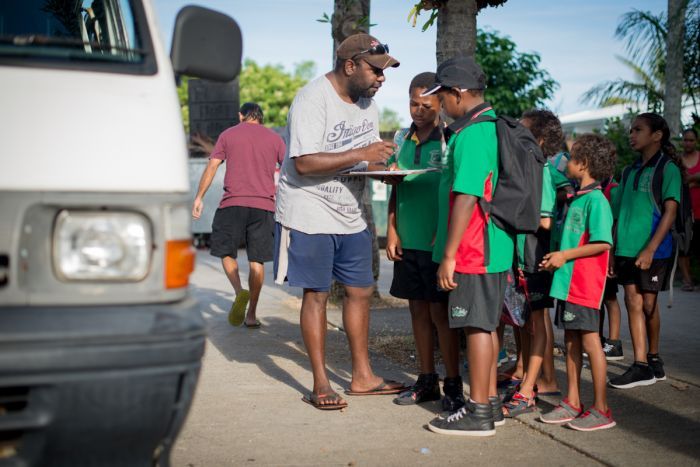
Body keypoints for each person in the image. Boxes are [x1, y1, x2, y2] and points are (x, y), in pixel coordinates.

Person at [274, 33, 405, 411]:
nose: (381, 79)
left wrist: (385, 170)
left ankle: (363, 376)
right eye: (376, 71)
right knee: (315, 295)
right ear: (350, 65)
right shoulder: (312, 99)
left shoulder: (368, 106)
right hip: (309, 209)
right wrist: (363, 152)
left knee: (361, 291)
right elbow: (304, 163)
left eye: (384, 73)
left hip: (350, 212)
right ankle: (320, 382)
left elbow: (363, 162)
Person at [425, 56, 513, 437]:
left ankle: (477, 411)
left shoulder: (474, 132)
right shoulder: (488, 126)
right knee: (487, 325)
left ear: (457, 93)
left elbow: (467, 195)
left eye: (442, 96)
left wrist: (449, 255)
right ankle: (490, 401)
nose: (440, 104)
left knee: (475, 326)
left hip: (476, 247)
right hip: (492, 245)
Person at [385, 72, 463, 412]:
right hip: (408, 239)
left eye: (426, 105)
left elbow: (457, 193)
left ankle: (454, 384)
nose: (419, 110)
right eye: (413, 104)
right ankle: (426, 379)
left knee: (440, 313)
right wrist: (391, 229)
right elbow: (395, 185)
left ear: (440, 104)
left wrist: (445, 234)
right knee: (416, 309)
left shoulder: (450, 139)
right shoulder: (403, 138)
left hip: (437, 242)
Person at [539, 133, 616, 431]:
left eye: (571, 158)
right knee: (571, 340)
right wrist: (556, 259)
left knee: (590, 342)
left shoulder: (597, 200)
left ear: (582, 165)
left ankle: (602, 408)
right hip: (567, 284)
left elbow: (602, 243)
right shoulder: (577, 197)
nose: (567, 163)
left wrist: (565, 255)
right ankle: (572, 401)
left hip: (584, 284)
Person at [192, 102, 285, 328]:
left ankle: (238, 291)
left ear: (241, 115)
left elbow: (212, 166)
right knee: (257, 261)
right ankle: (251, 314)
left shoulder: (228, 135)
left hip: (232, 203)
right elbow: (288, 173)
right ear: (261, 117)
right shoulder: (275, 139)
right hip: (264, 206)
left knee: (225, 251)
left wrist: (199, 197)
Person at [609, 113, 681, 389]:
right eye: (631, 130)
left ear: (657, 135)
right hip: (626, 248)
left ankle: (653, 357)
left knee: (649, 305)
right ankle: (640, 365)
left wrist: (650, 248)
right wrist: (613, 251)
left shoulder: (668, 169)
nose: (632, 134)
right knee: (633, 301)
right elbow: (618, 216)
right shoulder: (628, 171)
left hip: (654, 250)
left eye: (638, 130)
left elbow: (670, 212)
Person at [500, 109, 563, 418]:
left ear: (537, 140)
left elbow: (546, 220)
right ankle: (528, 378)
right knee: (524, 322)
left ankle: (529, 390)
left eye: (522, 133)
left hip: (535, 260)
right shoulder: (525, 169)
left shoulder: (543, 172)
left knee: (536, 323)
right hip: (520, 259)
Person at [678, 128, 700, 291]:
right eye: (685, 140)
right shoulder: (678, 160)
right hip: (685, 211)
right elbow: (679, 182)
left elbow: (686, 181)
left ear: (696, 141)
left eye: (691, 140)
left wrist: (689, 179)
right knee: (684, 247)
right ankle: (687, 281)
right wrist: (695, 178)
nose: (688, 143)